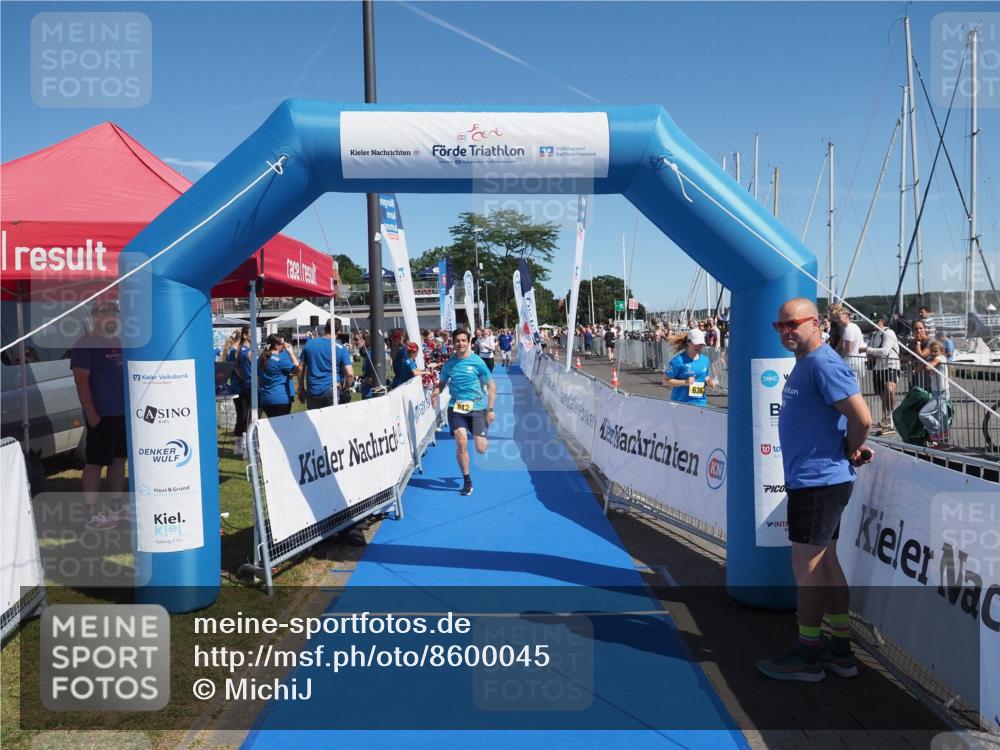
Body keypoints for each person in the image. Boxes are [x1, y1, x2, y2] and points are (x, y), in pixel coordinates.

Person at [756, 298, 873, 683]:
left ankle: (808, 656)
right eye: (780, 325)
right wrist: (846, 449)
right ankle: (840, 651)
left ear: (817, 323)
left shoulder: (822, 363)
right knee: (825, 564)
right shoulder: (808, 362)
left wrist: (849, 449)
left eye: (794, 323)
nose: (786, 331)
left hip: (818, 483)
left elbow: (862, 418)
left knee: (806, 570)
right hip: (818, 481)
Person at [71, 300, 128, 531]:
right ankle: (91, 515)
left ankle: (116, 508)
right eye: (106, 312)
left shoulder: (118, 342)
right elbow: (81, 381)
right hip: (102, 415)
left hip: (122, 414)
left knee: (119, 461)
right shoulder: (85, 344)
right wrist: (92, 414)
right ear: (95, 316)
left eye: (115, 312)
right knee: (95, 463)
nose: (112, 317)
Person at [430, 329, 496, 496]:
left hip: (477, 407)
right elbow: (442, 383)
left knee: (481, 448)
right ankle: (467, 481)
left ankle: (483, 434)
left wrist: (490, 409)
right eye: (457, 341)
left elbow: (491, 385)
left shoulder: (477, 362)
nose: (460, 343)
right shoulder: (449, 364)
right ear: (453, 343)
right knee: (461, 443)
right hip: (456, 407)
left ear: (469, 342)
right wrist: (436, 391)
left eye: (463, 340)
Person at [298, 320, 354, 409]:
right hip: (332, 389)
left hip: (313, 390)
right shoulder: (341, 348)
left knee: (314, 417)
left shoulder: (309, 344)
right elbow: (350, 374)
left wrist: (301, 388)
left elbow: (300, 369)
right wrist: (346, 390)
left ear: (325, 328)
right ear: (339, 332)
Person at [864, 315, 900, 431]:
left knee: (889, 390)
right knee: (883, 396)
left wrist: (867, 350)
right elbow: (871, 352)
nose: (873, 324)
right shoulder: (874, 335)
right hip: (878, 368)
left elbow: (884, 351)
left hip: (890, 365)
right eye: (871, 321)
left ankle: (891, 416)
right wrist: (869, 354)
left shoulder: (889, 332)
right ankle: (886, 418)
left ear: (882, 321)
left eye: (876, 321)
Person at [661, 328, 715, 407]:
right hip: (681, 403)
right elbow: (665, 381)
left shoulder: (705, 360)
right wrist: (685, 382)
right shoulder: (678, 361)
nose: (698, 347)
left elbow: (706, 377)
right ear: (688, 342)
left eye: (701, 344)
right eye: (696, 344)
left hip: (700, 402)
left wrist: (710, 382)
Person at [918, 340, 950, 448]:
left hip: (942, 393)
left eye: (935, 351)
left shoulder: (941, 358)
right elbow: (923, 365)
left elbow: (928, 367)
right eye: (931, 351)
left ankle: (938, 433)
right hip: (936, 392)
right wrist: (919, 367)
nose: (933, 353)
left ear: (941, 351)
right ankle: (943, 442)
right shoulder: (932, 358)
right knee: (942, 417)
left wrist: (928, 363)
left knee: (924, 414)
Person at [258, 335, 300, 418]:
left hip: (265, 399)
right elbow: (298, 369)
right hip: (280, 399)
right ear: (277, 346)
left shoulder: (261, 359)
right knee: (282, 425)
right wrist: (291, 354)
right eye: (282, 344)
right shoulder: (280, 360)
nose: (284, 346)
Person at [228, 326, 253, 457]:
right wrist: (246, 378)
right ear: (244, 336)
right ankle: (243, 447)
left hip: (241, 387)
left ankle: (239, 447)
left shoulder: (237, 350)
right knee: (244, 417)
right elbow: (236, 369)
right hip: (241, 388)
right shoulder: (236, 351)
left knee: (242, 417)